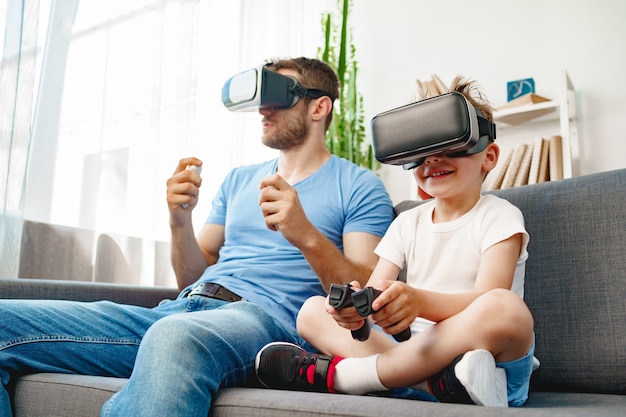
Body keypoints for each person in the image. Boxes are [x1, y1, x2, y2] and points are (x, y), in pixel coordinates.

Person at [0, 57, 394, 417]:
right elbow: (192, 276)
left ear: (319, 107)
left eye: (277, 95)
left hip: (266, 323)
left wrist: (307, 235)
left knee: (175, 337)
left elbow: (364, 295)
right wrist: (178, 220)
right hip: (180, 310)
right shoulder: (239, 179)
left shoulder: (358, 185)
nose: (262, 109)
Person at [255, 77, 537, 408]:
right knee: (311, 312)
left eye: (449, 146)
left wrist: (419, 303)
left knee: (505, 308)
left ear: (488, 157)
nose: (432, 160)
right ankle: (432, 384)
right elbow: (372, 301)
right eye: (422, 150)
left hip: (489, 361)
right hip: (418, 351)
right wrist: (356, 314)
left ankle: (348, 377)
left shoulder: (500, 216)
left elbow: (486, 299)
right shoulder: (407, 223)